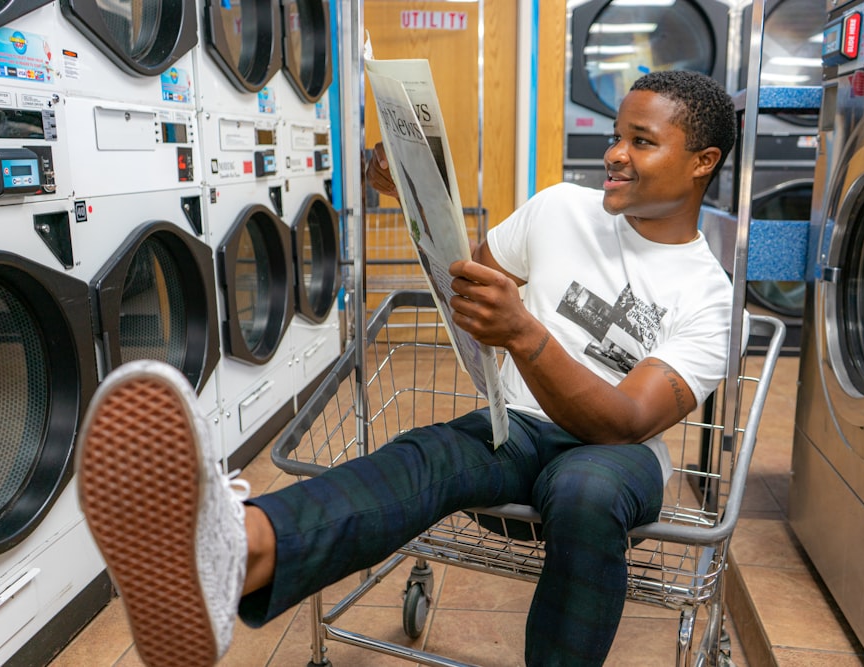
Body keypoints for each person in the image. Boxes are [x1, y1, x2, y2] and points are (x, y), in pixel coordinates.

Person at [76, 70, 737, 667]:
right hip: (521, 429)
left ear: (702, 161)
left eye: (641, 141)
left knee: (586, 488)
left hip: (615, 460)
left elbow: (624, 421)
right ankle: (237, 552)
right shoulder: (562, 207)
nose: (615, 154)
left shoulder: (706, 293)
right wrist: (424, 194)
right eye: (617, 135)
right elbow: (469, 281)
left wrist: (526, 334)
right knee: (433, 452)